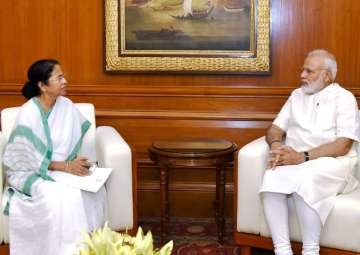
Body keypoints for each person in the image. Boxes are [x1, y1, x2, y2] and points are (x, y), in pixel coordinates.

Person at [259, 49, 360, 255]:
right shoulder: (296, 95)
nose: (302, 75)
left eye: (309, 71)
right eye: (302, 70)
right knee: (272, 176)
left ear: (327, 75)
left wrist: (302, 157)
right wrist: (277, 146)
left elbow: (343, 145)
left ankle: (310, 251)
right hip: (298, 160)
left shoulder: (344, 98)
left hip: (334, 163)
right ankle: (282, 250)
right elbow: (275, 129)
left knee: (307, 179)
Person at [2, 59, 107, 255]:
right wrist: (66, 166)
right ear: (42, 85)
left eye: (64, 76)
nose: (65, 81)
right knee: (63, 195)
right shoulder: (28, 112)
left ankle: (91, 248)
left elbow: (70, 143)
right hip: (29, 172)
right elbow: (22, 157)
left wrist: (74, 165)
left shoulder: (66, 105)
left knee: (93, 192)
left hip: (62, 169)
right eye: (59, 77)